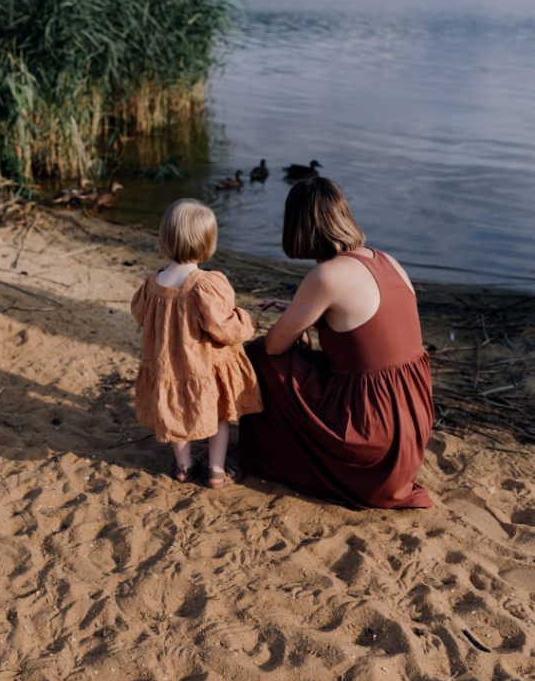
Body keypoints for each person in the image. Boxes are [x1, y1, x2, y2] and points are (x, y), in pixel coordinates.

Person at [239, 177, 434, 509]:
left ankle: (276, 457)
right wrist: (307, 314)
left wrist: (300, 319)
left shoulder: (326, 276)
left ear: (298, 226)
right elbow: (370, 330)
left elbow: (274, 347)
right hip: (411, 421)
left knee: (257, 355)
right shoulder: (387, 260)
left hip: (372, 432)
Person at [131, 198, 262, 488]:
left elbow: (139, 314)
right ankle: (216, 470)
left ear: (165, 239)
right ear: (208, 242)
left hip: (168, 366)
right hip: (204, 367)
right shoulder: (206, 284)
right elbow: (224, 328)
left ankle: (183, 466)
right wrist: (248, 322)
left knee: (175, 413)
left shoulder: (153, 283)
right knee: (218, 416)